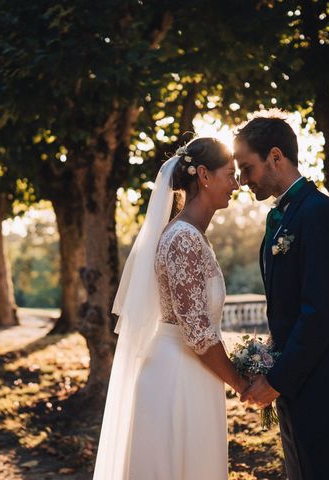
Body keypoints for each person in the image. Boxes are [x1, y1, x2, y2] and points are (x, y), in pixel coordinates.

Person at [234, 112, 329, 480]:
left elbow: (320, 313)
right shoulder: (285, 216)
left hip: (327, 386)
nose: (242, 180)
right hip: (299, 384)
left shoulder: (317, 214)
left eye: (247, 167)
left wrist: (276, 380)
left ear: (276, 157)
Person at [93, 137, 247, 479]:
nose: (237, 184)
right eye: (230, 174)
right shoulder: (183, 240)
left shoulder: (192, 235)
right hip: (178, 376)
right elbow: (198, 334)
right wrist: (241, 383)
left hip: (193, 372)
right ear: (204, 176)